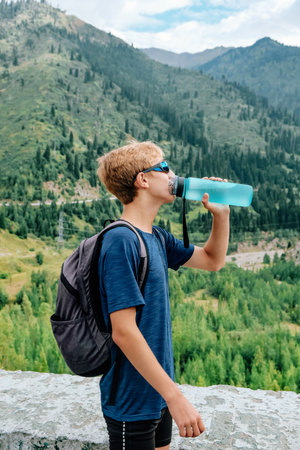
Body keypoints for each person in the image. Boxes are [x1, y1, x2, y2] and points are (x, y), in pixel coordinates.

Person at [97, 141, 230, 450]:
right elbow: (124, 331)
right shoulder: (121, 241)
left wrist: (220, 215)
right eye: (165, 168)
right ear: (143, 180)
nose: (174, 175)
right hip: (132, 400)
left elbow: (213, 260)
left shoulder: (156, 237)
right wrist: (176, 397)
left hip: (157, 391)